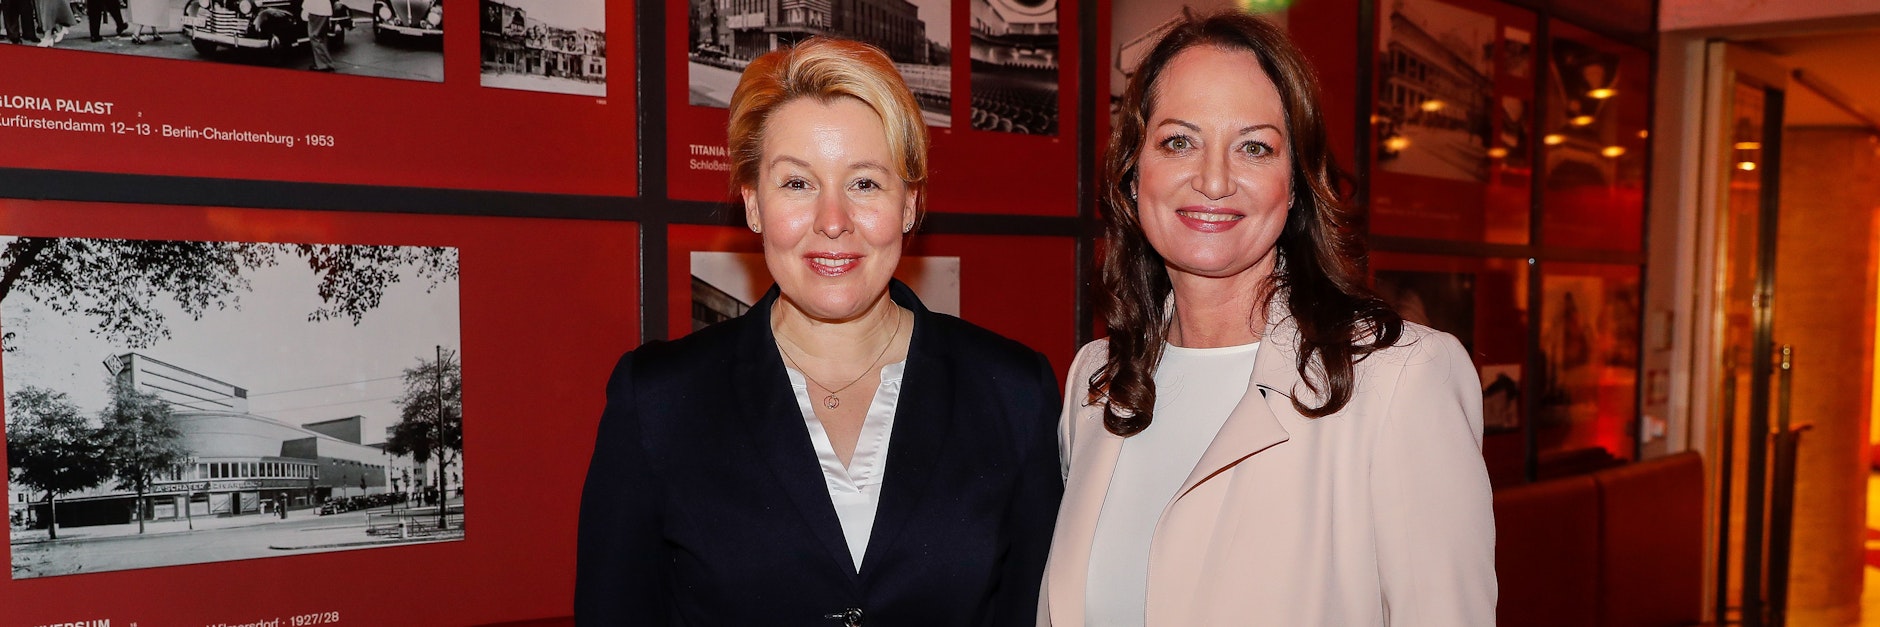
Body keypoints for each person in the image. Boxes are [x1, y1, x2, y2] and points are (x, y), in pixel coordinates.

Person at [575, 37, 1062, 626]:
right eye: (798, 184)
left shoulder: (1012, 392)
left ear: (910, 204)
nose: (833, 222)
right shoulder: (657, 400)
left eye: (864, 184)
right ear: (753, 204)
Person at [1041, 10, 1495, 626]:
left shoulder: (1399, 382)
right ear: (1132, 171)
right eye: (1179, 140)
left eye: (1254, 147)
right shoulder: (1095, 383)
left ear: (1298, 183)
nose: (1213, 179)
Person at [302, 0, 332, 72]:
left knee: (314, 36)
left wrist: (305, 9)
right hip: (325, 9)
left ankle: (322, 64)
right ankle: (327, 63)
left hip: (316, 10)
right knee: (322, 37)